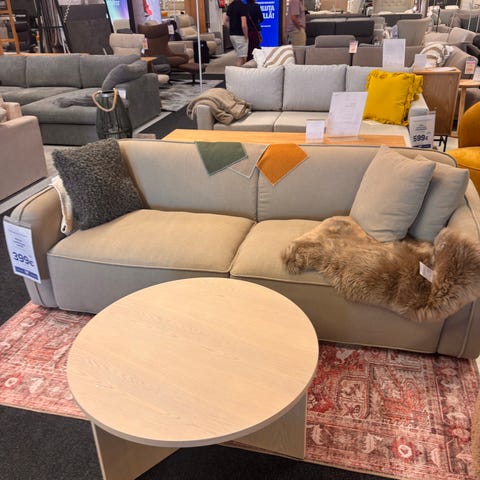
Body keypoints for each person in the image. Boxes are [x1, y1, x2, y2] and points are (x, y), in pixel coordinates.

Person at [225, 0, 249, 66]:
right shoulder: (242, 6)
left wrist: (231, 29)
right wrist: (246, 35)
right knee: (241, 58)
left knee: (240, 56)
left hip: (232, 35)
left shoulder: (230, 6)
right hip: (240, 35)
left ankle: (242, 71)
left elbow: (225, 21)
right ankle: (237, 72)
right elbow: (244, 25)